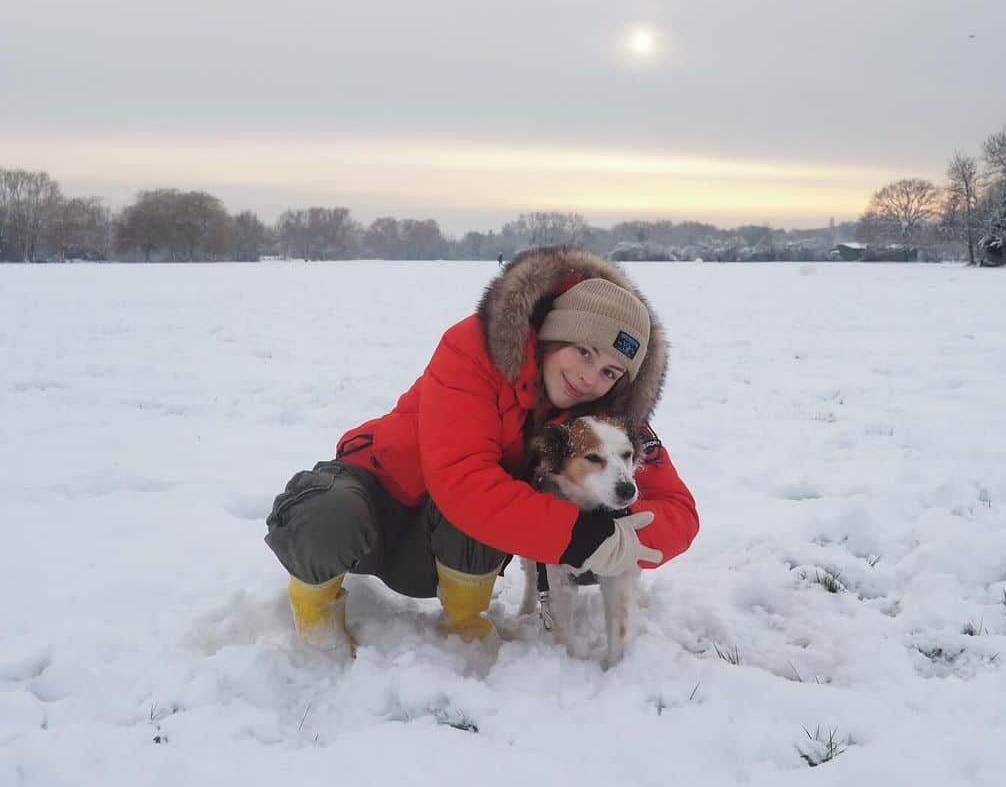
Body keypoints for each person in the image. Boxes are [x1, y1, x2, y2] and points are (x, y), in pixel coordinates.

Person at [265, 245, 699, 652]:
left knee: (500, 512)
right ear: (551, 336)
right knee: (326, 516)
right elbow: (464, 482)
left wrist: (623, 537)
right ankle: (316, 624)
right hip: (377, 498)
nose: (589, 378)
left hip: (450, 539)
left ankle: (463, 627)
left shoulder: (603, 419)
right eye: (583, 352)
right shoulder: (474, 349)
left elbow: (677, 506)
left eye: (609, 371)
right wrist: (582, 535)